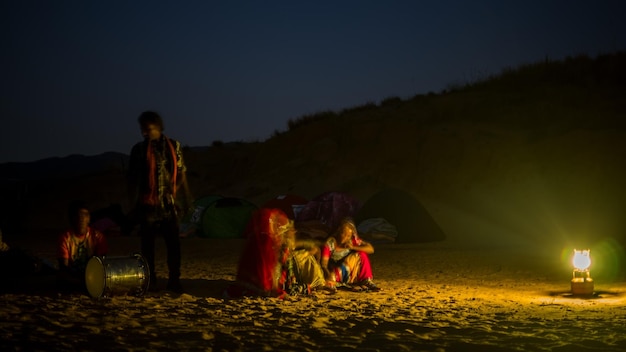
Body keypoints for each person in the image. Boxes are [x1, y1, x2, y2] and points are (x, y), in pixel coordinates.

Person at [127, 110, 192, 293]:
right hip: (147, 206)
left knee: (173, 246)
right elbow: (132, 179)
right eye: (142, 129)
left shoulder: (173, 146)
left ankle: (174, 279)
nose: (144, 133)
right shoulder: (138, 150)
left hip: (168, 205)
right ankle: (150, 278)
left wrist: (184, 196)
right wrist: (132, 203)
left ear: (158, 127)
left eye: (148, 129)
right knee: (147, 246)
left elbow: (181, 173)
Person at [225, 208, 326, 298]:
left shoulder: (255, 240)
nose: (291, 231)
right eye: (288, 230)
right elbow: (276, 272)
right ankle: (319, 284)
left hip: (247, 284)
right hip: (267, 286)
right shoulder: (271, 244)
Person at [57, 200, 108, 293]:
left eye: (84, 215)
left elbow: (102, 264)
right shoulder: (65, 238)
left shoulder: (97, 237)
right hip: (74, 276)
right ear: (72, 219)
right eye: (78, 216)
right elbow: (64, 267)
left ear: (89, 218)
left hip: (92, 274)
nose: (81, 219)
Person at [320, 217, 381, 292]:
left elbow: (371, 249)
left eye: (348, 235)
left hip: (350, 274)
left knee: (361, 254)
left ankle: (366, 280)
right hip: (335, 273)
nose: (345, 237)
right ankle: (334, 282)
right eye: (343, 233)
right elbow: (324, 264)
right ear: (338, 231)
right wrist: (328, 274)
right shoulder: (330, 243)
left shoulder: (352, 241)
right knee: (353, 258)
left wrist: (353, 247)